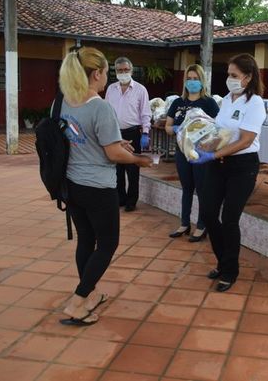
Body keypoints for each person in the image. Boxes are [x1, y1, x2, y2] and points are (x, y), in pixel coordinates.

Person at [58, 47, 152, 326]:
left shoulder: (64, 101)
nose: (109, 77)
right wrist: (138, 160)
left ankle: (91, 293)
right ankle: (78, 301)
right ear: (97, 73)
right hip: (98, 186)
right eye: (107, 72)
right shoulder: (100, 106)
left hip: (71, 183)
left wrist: (116, 143)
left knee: (86, 238)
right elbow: (113, 155)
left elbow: (79, 138)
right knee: (108, 243)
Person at [190, 53, 266, 292]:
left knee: (230, 220)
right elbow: (220, 131)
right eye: (228, 75)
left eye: (234, 75)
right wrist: (200, 142)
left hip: (242, 167)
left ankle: (230, 271)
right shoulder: (226, 99)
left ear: (248, 77)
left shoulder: (254, 103)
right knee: (209, 214)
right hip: (218, 164)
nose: (230, 79)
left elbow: (245, 141)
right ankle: (222, 262)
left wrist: (214, 155)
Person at [165, 64, 220, 242]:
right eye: (189, 78)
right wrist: (176, 128)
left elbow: (216, 127)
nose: (192, 82)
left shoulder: (209, 103)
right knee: (187, 188)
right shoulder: (178, 103)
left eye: (196, 79)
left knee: (202, 189)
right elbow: (167, 126)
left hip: (201, 153)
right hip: (182, 152)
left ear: (202, 81)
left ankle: (202, 225)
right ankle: (184, 223)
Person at [105, 57, 151, 212]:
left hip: (133, 133)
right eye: (120, 70)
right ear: (115, 71)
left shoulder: (140, 90)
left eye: (126, 70)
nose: (123, 73)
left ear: (131, 70)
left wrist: (145, 132)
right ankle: (120, 198)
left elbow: (145, 113)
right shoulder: (111, 89)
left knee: (132, 169)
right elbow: (106, 111)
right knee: (117, 168)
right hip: (115, 133)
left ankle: (132, 201)